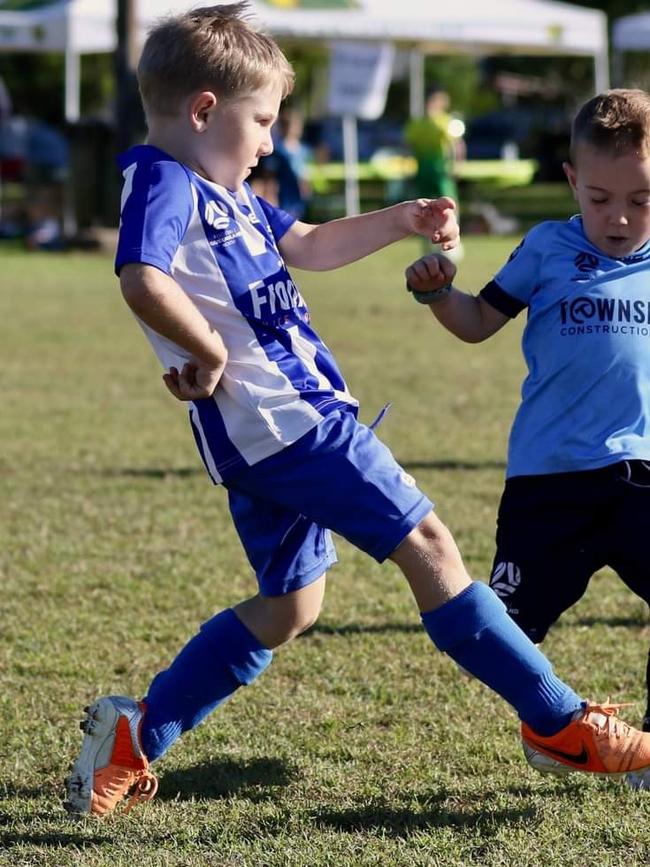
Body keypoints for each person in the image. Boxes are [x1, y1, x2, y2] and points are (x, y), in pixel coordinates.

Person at [64, 11, 650, 817]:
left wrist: (401, 219)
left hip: (261, 439)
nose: (270, 142)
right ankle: (561, 725)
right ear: (204, 111)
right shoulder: (165, 182)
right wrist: (206, 349)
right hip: (295, 421)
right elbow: (141, 277)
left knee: (291, 606)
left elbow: (306, 242)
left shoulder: (225, 194)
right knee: (431, 545)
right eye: (261, 122)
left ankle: (136, 734)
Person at [404, 88, 650, 775]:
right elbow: (480, 320)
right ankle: (553, 722)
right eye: (599, 199)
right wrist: (436, 295)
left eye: (641, 199)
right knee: (499, 627)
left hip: (641, 474)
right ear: (573, 180)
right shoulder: (546, 247)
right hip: (550, 481)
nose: (621, 217)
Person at [258, 106, 312, 219]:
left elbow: (306, 171)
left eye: (295, 125)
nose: (292, 129)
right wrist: (270, 195)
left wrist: (306, 185)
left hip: (297, 197)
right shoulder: (277, 150)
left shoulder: (304, 150)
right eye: (288, 125)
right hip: (284, 196)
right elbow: (269, 176)